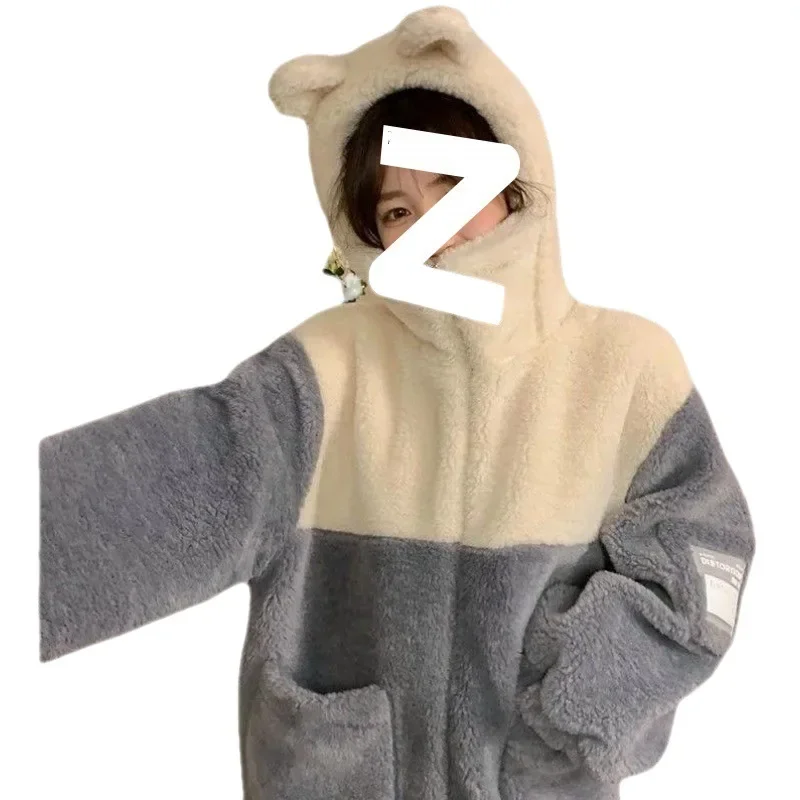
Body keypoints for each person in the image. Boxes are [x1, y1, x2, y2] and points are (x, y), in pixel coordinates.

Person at [39, 7, 756, 800]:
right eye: (397, 211)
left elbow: (706, 556)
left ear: (514, 178)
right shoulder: (322, 374)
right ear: (367, 239)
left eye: (452, 186)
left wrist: (584, 690)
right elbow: (155, 496)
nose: (433, 231)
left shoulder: (625, 366)